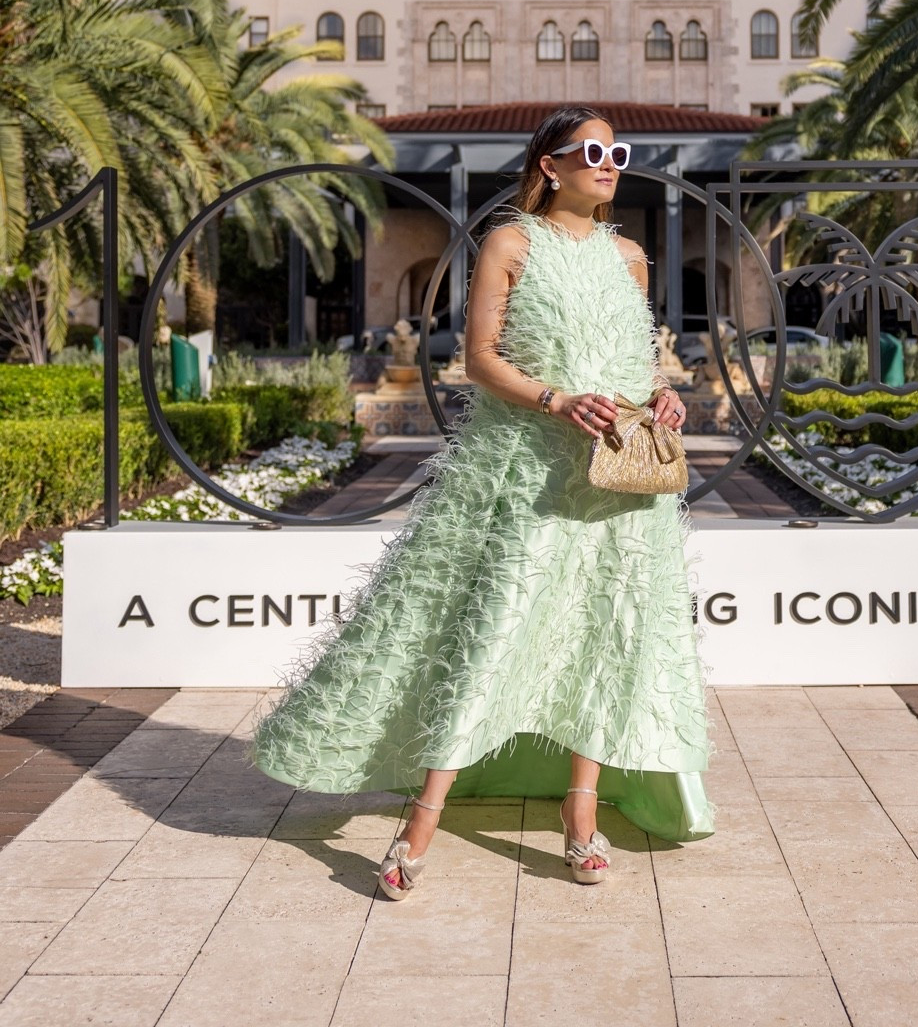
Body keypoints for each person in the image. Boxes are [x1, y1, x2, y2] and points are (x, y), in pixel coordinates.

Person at [251, 105, 714, 897]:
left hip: (620, 479)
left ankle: (582, 814)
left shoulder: (630, 257)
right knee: (492, 627)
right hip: (528, 467)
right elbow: (482, 358)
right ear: (549, 165)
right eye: (592, 151)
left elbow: (637, 361)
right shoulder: (510, 242)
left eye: (617, 153)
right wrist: (556, 400)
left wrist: (663, 397)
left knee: (604, 635)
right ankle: (421, 818)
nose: (610, 164)